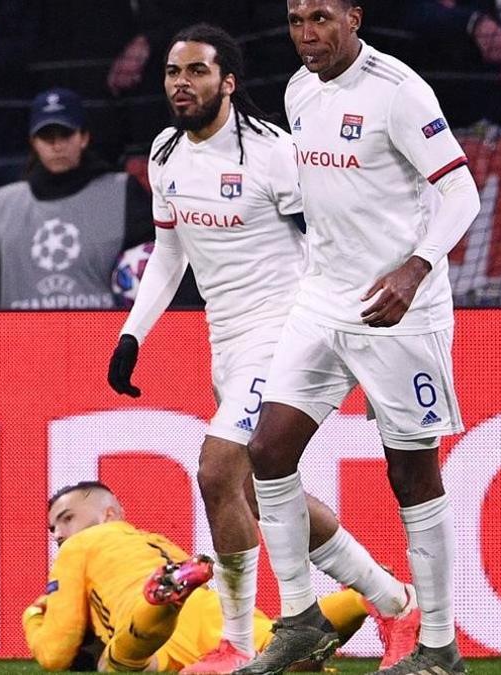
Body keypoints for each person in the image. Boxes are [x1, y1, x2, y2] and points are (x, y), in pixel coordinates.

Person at [108, 23, 420, 673]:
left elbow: (327, 235)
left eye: (196, 71)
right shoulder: (165, 154)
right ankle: (393, 600)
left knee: (218, 469)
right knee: (257, 496)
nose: (181, 83)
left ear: (228, 82)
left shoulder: (274, 153)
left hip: (283, 333)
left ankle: (238, 643)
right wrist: (133, 334)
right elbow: (169, 257)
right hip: (226, 343)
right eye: (172, 71)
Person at [234, 1, 481, 674]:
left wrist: (414, 268)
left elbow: (463, 196)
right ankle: (300, 618)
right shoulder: (298, 88)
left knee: (411, 472)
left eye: (320, 17)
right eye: (293, 19)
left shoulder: (399, 92)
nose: (306, 34)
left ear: (354, 15)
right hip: (322, 300)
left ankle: (438, 644)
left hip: (398, 307)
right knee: (267, 449)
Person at [24, 481, 374, 672]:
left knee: (118, 666)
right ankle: (372, 596)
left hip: (141, 621)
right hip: (211, 609)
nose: (57, 533)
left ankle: (158, 604)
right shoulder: (155, 542)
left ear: (109, 513)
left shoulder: (77, 546)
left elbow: (56, 651)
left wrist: (34, 616)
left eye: (66, 518)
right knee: (279, 646)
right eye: (53, 527)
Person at [0, 87, 153, 310]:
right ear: (33, 142)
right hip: (22, 339)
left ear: (84, 137)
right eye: (47, 136)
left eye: (65, 134)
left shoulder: (123, 191)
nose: (57, 146)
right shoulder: (5, 203)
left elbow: (159, 264)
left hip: (103, 337)